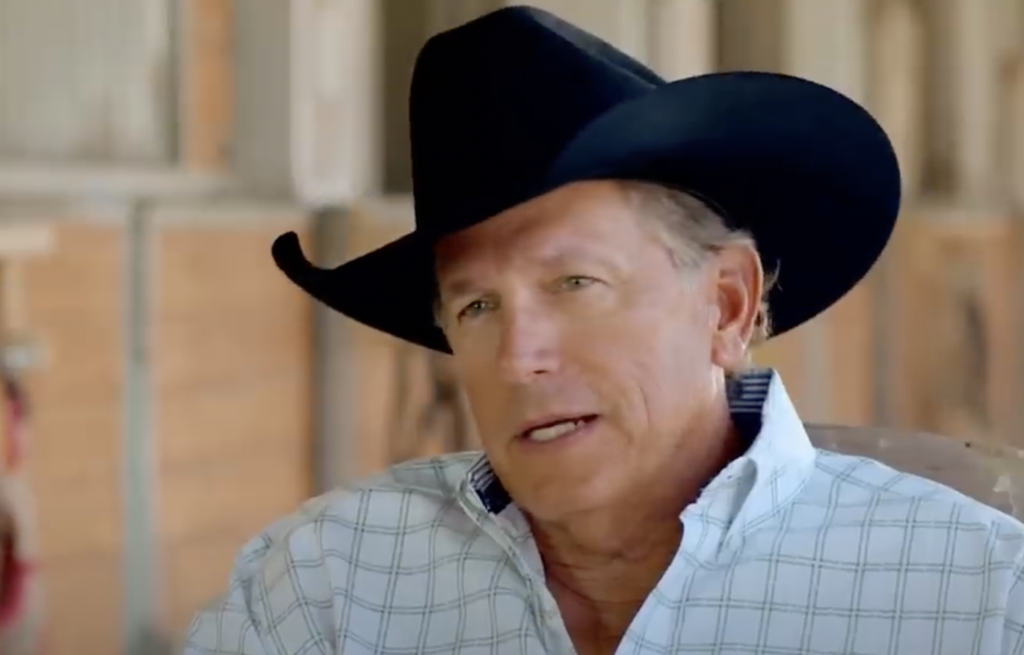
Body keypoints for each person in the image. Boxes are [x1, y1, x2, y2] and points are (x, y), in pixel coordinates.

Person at [185, 6, 1024, 655]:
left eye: (575, 283)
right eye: (476, 306)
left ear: (726, 305)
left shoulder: (974, 592)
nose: (519, 356)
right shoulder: (327, 584)